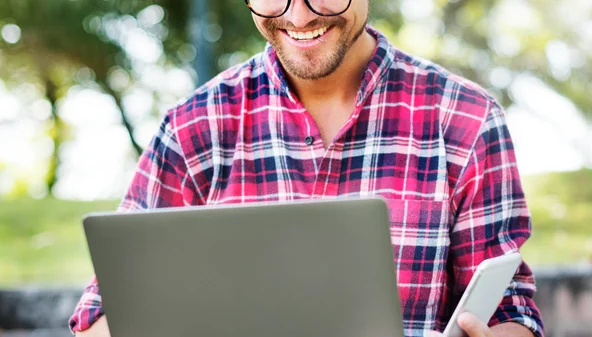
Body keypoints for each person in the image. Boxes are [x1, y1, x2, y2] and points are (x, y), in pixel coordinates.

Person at [69, 0, 545, 336]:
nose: (298, 16)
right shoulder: (194, 126)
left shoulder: (465, 118)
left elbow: (511, 310)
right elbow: (101, 314)